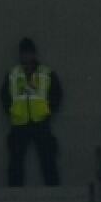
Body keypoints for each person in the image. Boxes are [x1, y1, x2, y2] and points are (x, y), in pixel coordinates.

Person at [4, 37, 63, 188]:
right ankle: (14, 193)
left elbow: (57, 93)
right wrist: (11, 110)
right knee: (16, 160)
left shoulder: (46, 73)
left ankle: (53, 191)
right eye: (24, 53)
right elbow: (4, 95)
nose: (26, 56)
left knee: (48, 158)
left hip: (40, 121)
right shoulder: (13, 74)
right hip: (19, 122)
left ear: (34, 54)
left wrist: (49, 110)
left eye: (29, 53)